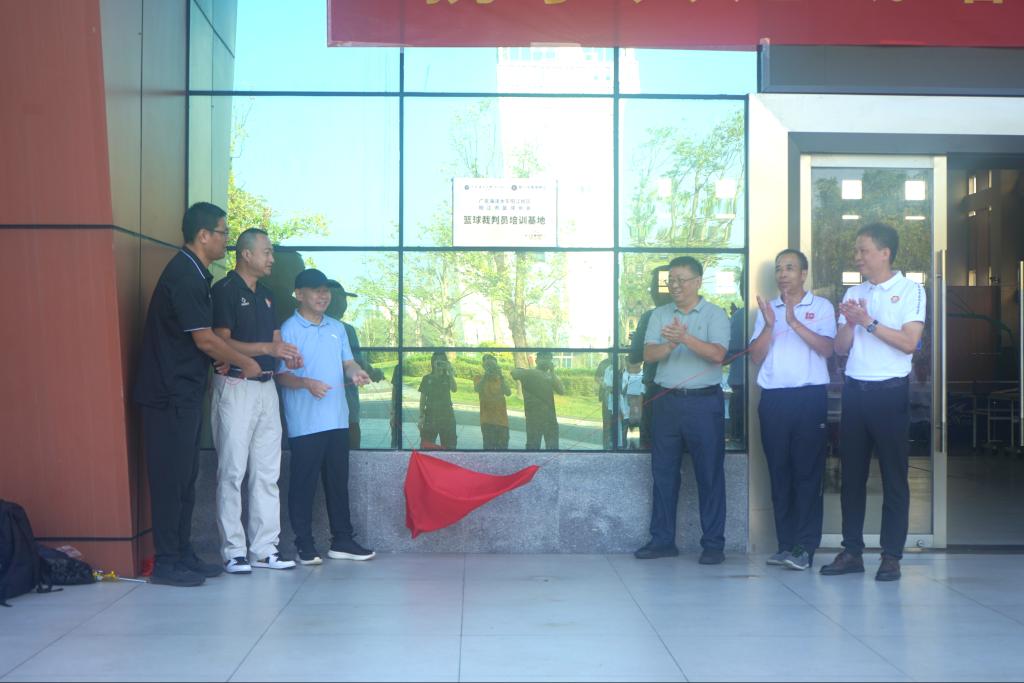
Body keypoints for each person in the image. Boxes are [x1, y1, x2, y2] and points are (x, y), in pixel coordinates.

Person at [134, 202, 262, 587]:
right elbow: (205, 339)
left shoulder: (196, 273)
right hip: (167, 396)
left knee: (186, 477)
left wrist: (218, 359)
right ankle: (167, 562)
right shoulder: (185, 275)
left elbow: (197, 341)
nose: (227, 239)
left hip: (185, 393)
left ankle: (182, 552)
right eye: (223, 232)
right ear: (203, 235)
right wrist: (244, 362)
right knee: (170, 480)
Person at [821, 223, 925, 582]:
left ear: (885, 253)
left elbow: (909, 342)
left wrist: (866, 321)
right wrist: (850, 324)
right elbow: (839, 348)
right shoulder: (855, 291)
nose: (857, 257)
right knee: (852, 476)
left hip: (890, 393)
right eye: (856, 251)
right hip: (856, 391)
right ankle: (851, 551)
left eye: (863, 250)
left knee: (894, 476)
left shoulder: (911, 290)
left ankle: (891, 555)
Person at [210, 228, 302, 574]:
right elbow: (221, 342)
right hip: (235, 386)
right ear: (246, 254)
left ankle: (264, 550)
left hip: (267, 387)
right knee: (232, 471)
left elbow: (275, 340)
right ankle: (233, 551)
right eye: (266, 252)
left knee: (267, 472)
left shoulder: (266, 294)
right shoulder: (224, 290)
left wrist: (288, 354)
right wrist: (266, 348)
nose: (271, 259)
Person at [634, 256, 730, 564]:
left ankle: (713, 544)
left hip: (704, 403)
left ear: (698, 282)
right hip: (667, 403)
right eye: (671, 281)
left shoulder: (715, 314)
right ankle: (662, 540)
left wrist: (684, 337)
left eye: (681, 280)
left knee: (709, 473)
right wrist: (671, 345)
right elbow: (649, 354)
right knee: (663, 473)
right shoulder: (660, 314)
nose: (674, 286)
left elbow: (718, 354)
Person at [275, 269, 375, 565]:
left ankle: (342, 540)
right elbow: (281, 375)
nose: (323, 296)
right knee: (303, 485)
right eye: (316, 290)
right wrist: (306, 383)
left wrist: (356, 372)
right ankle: (304, 544)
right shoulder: (289, 329)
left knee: (337, 483)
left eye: (326, 290)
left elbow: (348, 362)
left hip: (337, 419)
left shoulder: (337, 327)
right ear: (299, 294)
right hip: (305, 423)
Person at [748, 249, 836, 571]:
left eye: (789, 268)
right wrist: (770, 326)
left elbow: (827, 348)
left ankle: (804, 547)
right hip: (773, 399)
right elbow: (755, 357)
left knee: (807, 474)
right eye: (778, 269)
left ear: (804, 274)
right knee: (779, 472)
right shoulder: (767, 310)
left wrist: (794, 322)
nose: (782, 274)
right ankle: (785, 545)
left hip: (809, 398)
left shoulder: (821, 307)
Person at [326, 284, 385, 449]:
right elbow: (355, 361)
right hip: (344, 399)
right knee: (350, 440)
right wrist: (374, 372)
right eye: (342, 298)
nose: (344, 303)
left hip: (321, 403)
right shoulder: (345, 329)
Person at [629, 267, 673, 450]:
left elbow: (634, 357)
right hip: (690, 397)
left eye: (655, 286)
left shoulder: (650, 317)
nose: (652, 291)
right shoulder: (698, 316)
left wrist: (637, 341)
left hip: (657, 393)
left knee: (652, 449)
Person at [511, 351, 565, 450]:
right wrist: (533, 372)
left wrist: (552, 372)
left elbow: (561, 391)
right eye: (544, 359)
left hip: (550, 418)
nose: (547, 361)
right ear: (536, 361)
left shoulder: (551, 376)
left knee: (553, 447)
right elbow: (514, 373)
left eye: (549, 359)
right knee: (533, 447)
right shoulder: (528, 373)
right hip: (533, 418)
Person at [418, 351, 458, 450]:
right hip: (430, 416)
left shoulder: (448, 378)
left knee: (449, 447)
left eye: (442, 360)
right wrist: (421, 416)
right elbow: (422, 399)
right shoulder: (427, 378)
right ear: (433, 362)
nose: (439, 362)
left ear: (445, 362)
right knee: (426, 446)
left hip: (447, 416)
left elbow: (454, 389)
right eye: (437, 360)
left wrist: (450, 373)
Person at [475, 354, 511, 450]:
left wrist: (501, 376)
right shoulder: (479, 378)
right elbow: (477, 389)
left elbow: (508, 393)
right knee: (488, 448)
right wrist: (485, 376)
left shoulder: (500, 379)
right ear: (483, 366)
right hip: (487, 420)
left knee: (503, 449)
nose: (490, 368)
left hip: (502, 421)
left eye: (492, 365)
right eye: (487, 365)